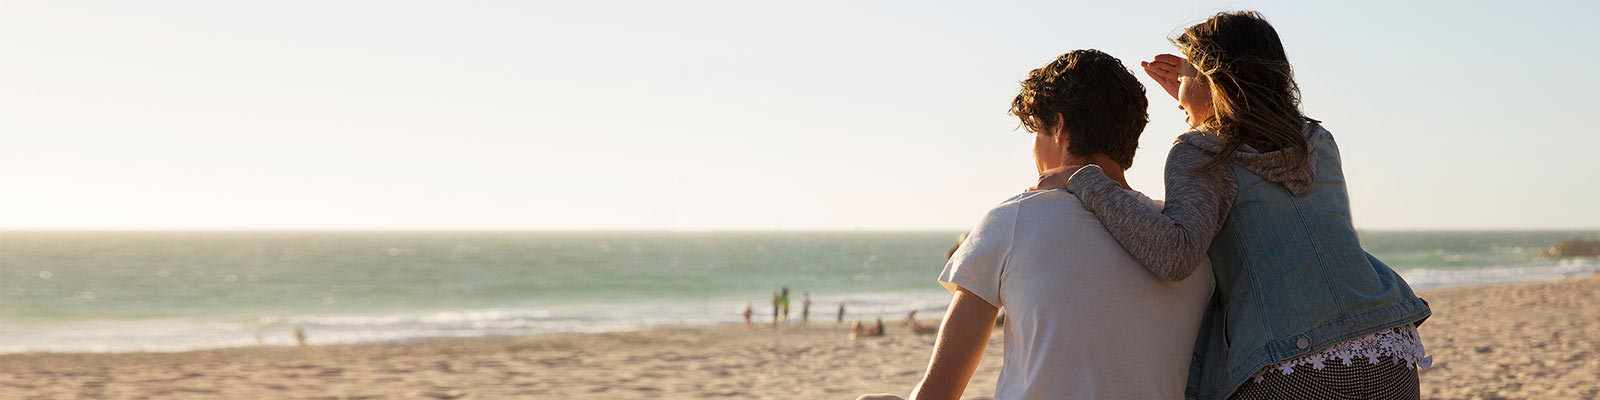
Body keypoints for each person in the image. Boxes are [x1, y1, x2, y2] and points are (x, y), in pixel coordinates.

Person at [1034, 11, 1431, 399]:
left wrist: (1084, 178)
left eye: (1186, 76)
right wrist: (1198, 95)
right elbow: (1250, 146)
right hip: (1388, 345)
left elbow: (1175, 254)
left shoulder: (1199, 153)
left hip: (1293, 364)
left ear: (1215, 82)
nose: (1175, 99)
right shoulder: (1316, 141)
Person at [907, 49, 1214, 400]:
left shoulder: (1015, 219)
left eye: (1036, 131)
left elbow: (938, 392)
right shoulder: (1187, 241)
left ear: (1060, 128)